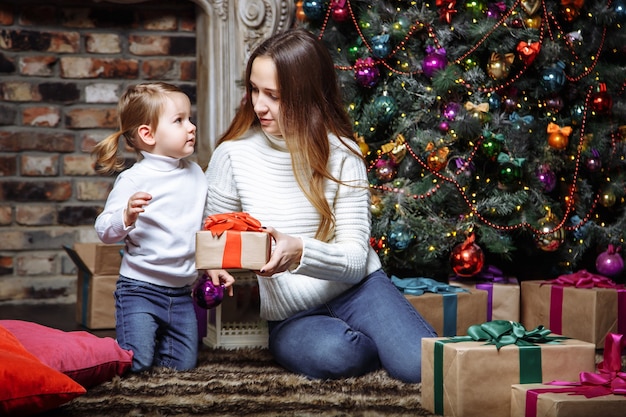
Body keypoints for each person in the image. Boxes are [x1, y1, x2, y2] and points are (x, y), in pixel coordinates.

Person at [204, 29, 436, 383]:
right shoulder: (232, 155)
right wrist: (213, 266)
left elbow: (356, 260)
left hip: (360, 290)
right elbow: (213, 233)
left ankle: (382, 337)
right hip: (293, 315)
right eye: (253, 89)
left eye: (273, 95)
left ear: (306, 97)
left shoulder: (342, 152)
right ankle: (369, 342)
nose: (258, 105)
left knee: (421, 367)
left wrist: (299, 251)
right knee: (339, 355)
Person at [93, 82, 233, 373]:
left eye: (190, 118)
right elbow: (104, 230)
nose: (191, 127)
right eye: (179, 121)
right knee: (138, 362)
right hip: (139, 290)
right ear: (148, 134)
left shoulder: (195, 174)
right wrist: (126, 217)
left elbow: (201, 228)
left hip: (181, 293)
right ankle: (99, 356)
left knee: (181, 367)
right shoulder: (135, 180)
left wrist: (211, 265)